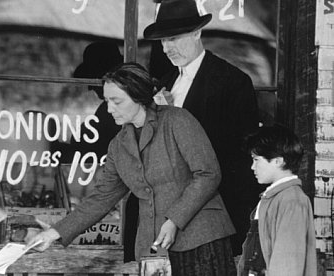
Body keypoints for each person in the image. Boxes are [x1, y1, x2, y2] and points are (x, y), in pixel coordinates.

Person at [27, 63, 237, 276]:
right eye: (107, 101)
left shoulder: (177, 120)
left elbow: (208, 174)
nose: (109, 109)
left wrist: (174, 220)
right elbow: (101, 198)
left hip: (200, 241)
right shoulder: (118, 146)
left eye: (116, 101)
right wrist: (53, 233)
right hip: (155, 249)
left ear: (138, 97)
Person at [142, 0, 261, 256]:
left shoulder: (232, 82)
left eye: (173, 38)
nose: (166, 48)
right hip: (170, 217)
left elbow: (240, 160)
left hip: (215, 218)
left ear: (197, 32)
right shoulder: (166, 83)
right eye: (162, 41)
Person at [238, 125, 316, 276]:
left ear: (278, 161)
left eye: (256, 160)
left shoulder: (292, 201)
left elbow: (288, 265)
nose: (252, 167)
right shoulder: (273, 197)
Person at [59, 42, 123, 163]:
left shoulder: (112, 108)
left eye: (93, 78)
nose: (90, 87)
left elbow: (92, 146)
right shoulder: (107, 108)